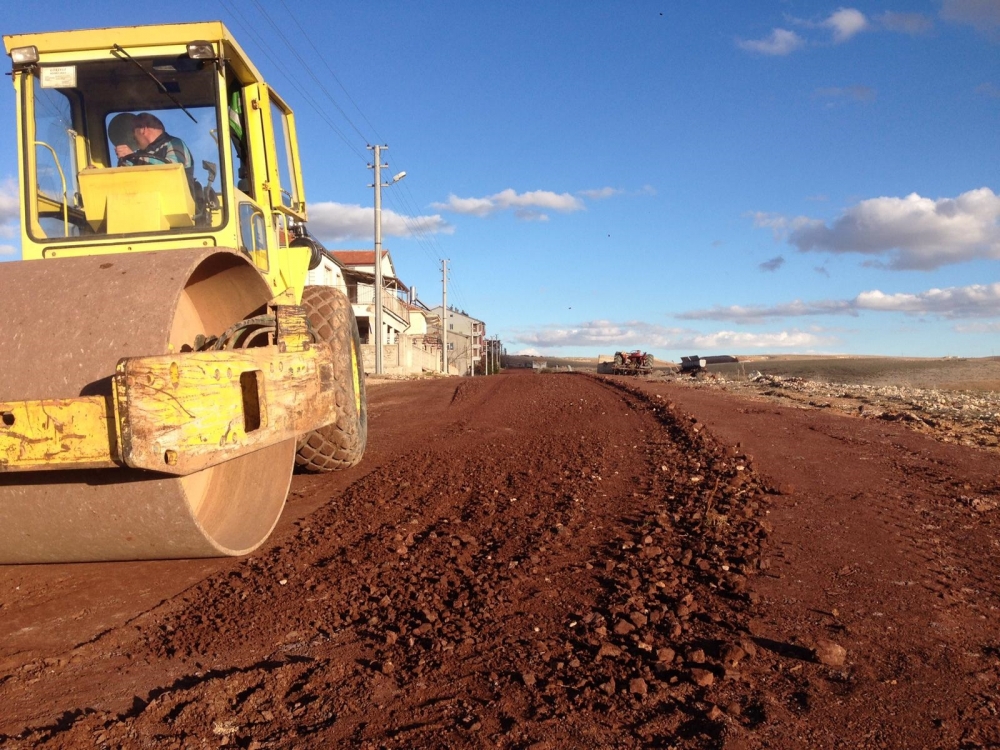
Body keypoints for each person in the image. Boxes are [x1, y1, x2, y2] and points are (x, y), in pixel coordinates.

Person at [114, 112, 194, 181]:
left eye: (133, 131)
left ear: (142, 129)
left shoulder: (175, 144)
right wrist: (124, 162)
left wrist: (134, 158)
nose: (133, 137)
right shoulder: (139, 155)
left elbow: (172, 170)